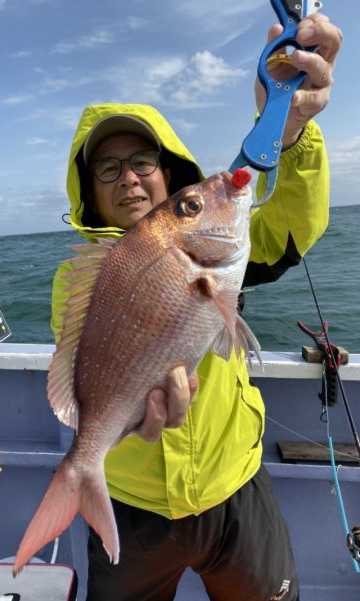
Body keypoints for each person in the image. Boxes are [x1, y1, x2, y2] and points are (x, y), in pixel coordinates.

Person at [51, 12, 342, 601]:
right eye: (108, 168)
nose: (129, 178)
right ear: (88, 189)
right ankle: (83, 478)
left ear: (167, 172)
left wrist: (292, 128)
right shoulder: (77, 277)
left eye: (143, 162)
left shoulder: (222, 256)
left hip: (232, 486)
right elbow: (97, 373)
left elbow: (289, 232)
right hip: (132, 504)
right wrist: (115, 434)